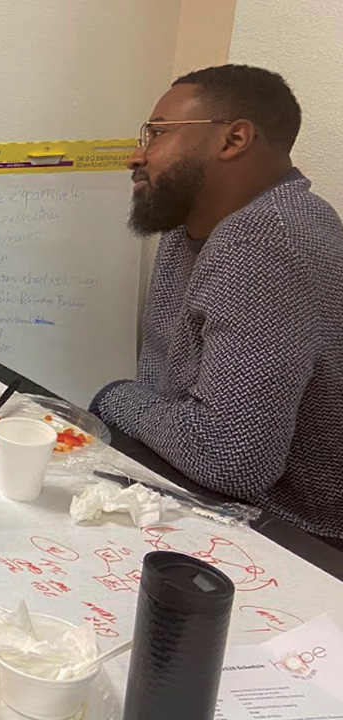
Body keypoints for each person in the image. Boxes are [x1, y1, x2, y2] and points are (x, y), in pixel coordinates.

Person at [91, 65, 343, 540]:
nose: (136, 155)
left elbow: (230, 456)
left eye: (158, 134)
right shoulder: (192, 227)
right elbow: (171, 402)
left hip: (293, 539)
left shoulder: (269, 239)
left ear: (233, 140)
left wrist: (113, 399)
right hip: (197, 494)